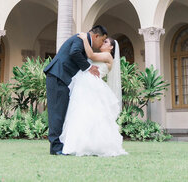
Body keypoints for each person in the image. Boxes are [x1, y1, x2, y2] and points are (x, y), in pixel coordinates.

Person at [59, 33, 126, 157]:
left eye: (106, 42)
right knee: (84, 114)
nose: (102, 43)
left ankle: (89, 145)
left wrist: (85, 39)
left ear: (111, 48)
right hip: (87, 83)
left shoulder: (107, 56)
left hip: (91, 84)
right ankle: (82, 144)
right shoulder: (104, 56)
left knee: (89, 113)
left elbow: (90, 55)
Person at [43, 24, 106, 155]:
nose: (101, 45)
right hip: (57, 76)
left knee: (62, 112)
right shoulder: (79, 39)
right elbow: (74, 52)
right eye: (102, 40)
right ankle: (55, 147)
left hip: (62, 78)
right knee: (57, 113)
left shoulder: (84, 40)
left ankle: (60, 145)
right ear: (96, 36)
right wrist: (89, 67)